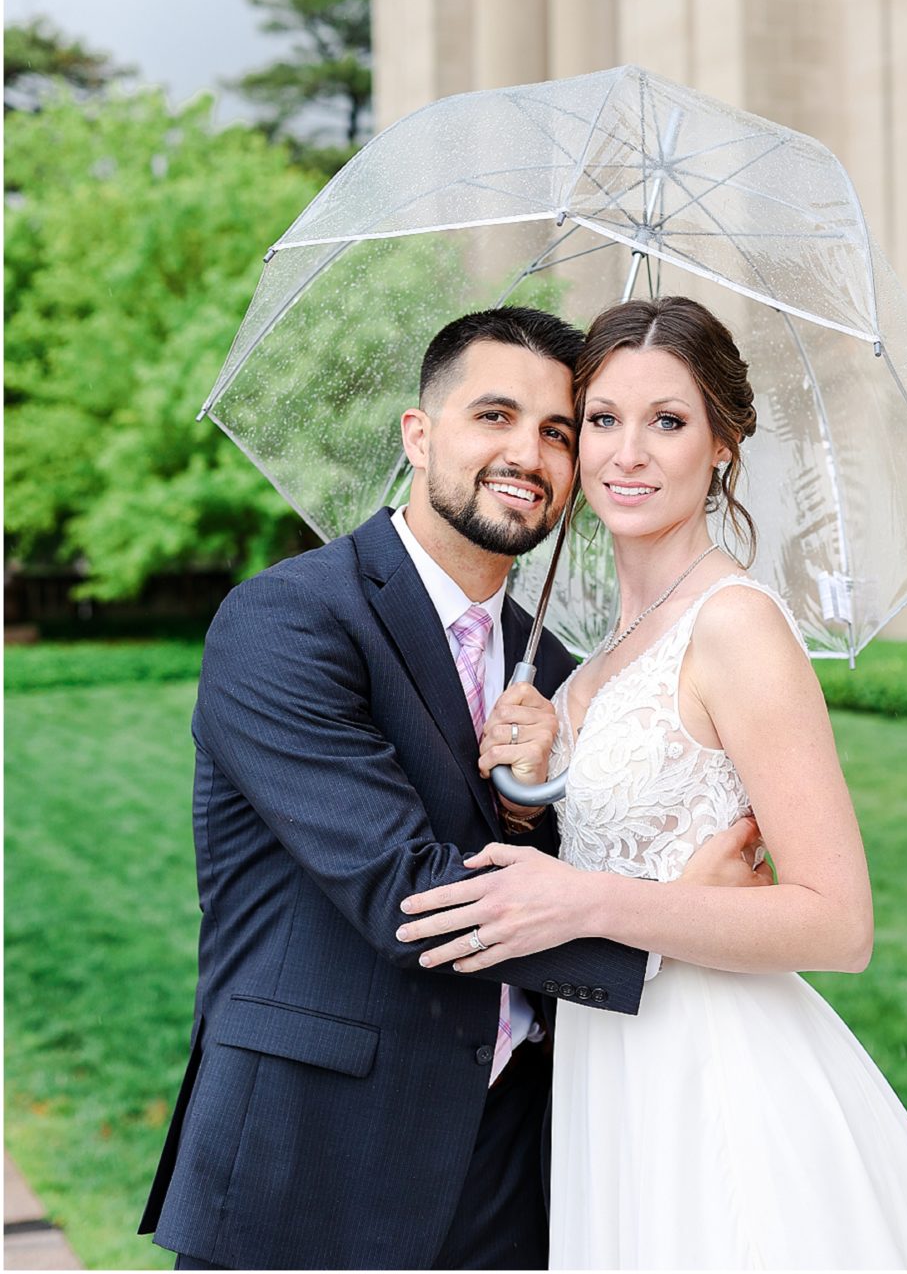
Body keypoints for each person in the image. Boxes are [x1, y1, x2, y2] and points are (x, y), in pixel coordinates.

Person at [140, 304, 769, 1272]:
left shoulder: (556, 664)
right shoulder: (289, 622)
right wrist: (669, 925)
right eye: (494, 416)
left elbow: (554, 856)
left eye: (562, 431)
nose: (528, 452)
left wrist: (532, 798)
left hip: (518, 1161)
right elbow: (408, 896)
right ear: (418, 433)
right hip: (316, 1159)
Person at [399, 295, 907, 1272]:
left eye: (668, 421)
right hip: (610, 1070)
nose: (626, 453)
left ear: (722, 444)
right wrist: (539, 777)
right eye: (601, 419)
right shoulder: (593, 655)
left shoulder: (735, 625)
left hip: (715, 1069)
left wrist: (588, 899)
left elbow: (837, 920)